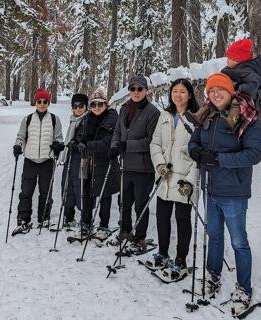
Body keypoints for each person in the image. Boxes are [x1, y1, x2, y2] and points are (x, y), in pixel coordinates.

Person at [188, 73, 261, 315]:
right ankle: (213, 275)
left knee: (239, 241)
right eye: (211, 90)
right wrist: (195, 151)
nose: (215, 94)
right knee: (214, 235)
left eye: (220, 89)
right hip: (210, 188)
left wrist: (219, 159)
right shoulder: (206, 114)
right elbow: (194, 141)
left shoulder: (245, 117)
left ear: (230, 91)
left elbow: (253, 155)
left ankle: (244, 288)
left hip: (233, 191)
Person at [147, 78, 198, 282]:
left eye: (183, 92)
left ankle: (181, 260)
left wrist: (190, 181)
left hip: (183, 179)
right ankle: (162, 253)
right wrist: (159, 164)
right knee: (162, 217)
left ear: (190, 95)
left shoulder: (196, 119)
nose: (178, 95)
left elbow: (198, 154)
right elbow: (155, 143)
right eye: (175, 91)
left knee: (183, 220)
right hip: (164, 177)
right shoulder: (164, 115)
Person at [109, 75, 160, 250]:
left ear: (146, 90)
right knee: (124, 202)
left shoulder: (153, 112)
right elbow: (117, 131)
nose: (136, 92)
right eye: (133, 89)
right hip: (125, 165)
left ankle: (140, 238)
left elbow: (151, 140)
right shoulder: (124, 109)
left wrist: (126, 145)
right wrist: (115, 146)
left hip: (144, 168)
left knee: (140, 204)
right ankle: (124, 231)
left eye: (140, 89)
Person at [12, 88, 64, 235]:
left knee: (45, 191)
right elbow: (21, 136)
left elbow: (58, 137)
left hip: (47, 161)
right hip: (30, 160)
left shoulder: (54, 119)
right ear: (35, 102)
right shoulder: (27, 119)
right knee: (26, 191)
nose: (42, 104)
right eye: (39, 101)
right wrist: (17, 146)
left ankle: (44, 218)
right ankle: (23, 219)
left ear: (48, 103)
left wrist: (58, 145)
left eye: (45, 101)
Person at [186, 38, 261, 130]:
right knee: (211, 99)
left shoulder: (246, 70)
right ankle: (199, 116)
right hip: (234, 93)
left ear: (238, 60)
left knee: (237, 102)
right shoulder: (232, 68)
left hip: (248, 97)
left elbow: (254, 83)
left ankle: (232, 121)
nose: (227, 60)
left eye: (230, 58)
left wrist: (239, 88)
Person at [75, 87, 120, 240]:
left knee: (104, 195)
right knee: (87, 193)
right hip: (88, 161)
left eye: (100, 104)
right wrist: (78, 144)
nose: (96, 107)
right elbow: (80, 136)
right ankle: (86, 223)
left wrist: (88, 145)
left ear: (106, 104)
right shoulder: (87, 118)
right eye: (93, 104)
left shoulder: (112, 118)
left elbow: (108, 142)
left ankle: (104, 225)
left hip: (105, 162)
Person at [59, 93, 89, 228]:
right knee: (66, 186)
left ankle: (85, 220)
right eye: (75, 106)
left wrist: (78, 144)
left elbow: (88, 139)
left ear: (86, 106)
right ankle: (69, 217)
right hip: (70, 156)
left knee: (80, 188)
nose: (78, 108)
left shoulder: (88, 120)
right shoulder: (73, 120)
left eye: (81, 105)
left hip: (81, 158)